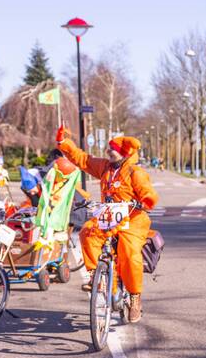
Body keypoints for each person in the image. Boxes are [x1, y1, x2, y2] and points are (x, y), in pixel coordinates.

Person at [55, 126, 158, 323]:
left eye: (113, 149)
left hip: (133, 219)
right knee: (87, 232)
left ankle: (135, 297)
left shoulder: (135, 172)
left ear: (125, 153)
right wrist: (63, 143)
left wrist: (146, 201)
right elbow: (82, 159)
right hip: (110, 216)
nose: (109, 152)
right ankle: (97, 277)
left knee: (129, 252)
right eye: (109, 149)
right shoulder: (104, 166)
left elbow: (148, 191)